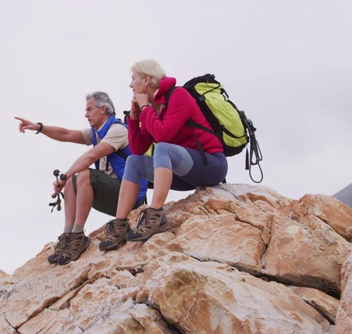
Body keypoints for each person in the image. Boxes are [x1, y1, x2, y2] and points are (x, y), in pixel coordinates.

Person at [99, 59, 228, 251]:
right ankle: (120, 224)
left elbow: (163, 135)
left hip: (211, 165)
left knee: (162, 148)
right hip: (183, 175)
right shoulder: (151, 107)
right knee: (133, 161)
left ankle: (155, 214)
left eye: (133, 79)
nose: (130, 84)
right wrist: (134, 119)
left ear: (147, 80)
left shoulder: (179, 95)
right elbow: (137, 150)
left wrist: (145, 109)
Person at [15, 92, 146, 265]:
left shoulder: (118, 130)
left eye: (89, 109)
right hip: (116, 196)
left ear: (103, 109)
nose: (86, 114)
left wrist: (64, 176)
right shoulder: (97, 133)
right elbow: (66, 134)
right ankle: (68, 236)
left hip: (131, 198)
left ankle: (78, 235)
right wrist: (39, 127)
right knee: (72, 180)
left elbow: (92, 155)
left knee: (82, 173)